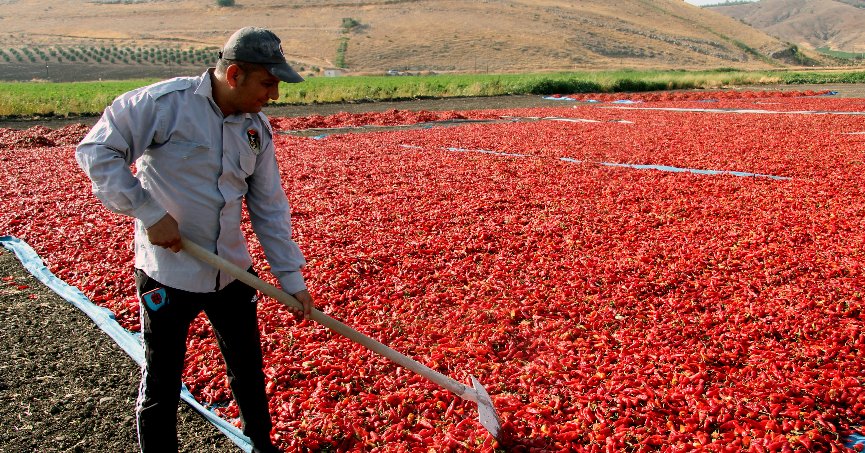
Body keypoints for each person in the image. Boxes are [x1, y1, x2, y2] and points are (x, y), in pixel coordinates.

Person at [75, 26, 314, 453]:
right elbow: (97, 151)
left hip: (233, 271)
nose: (274, 95)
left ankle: (260, 443)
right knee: (163, 374)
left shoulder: (256, 130)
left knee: (247, 366)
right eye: (268, 83)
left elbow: (269, 207)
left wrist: (290, 277)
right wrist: (149, 212)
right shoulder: (163, 105)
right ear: (235, 74)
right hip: (169, 271)